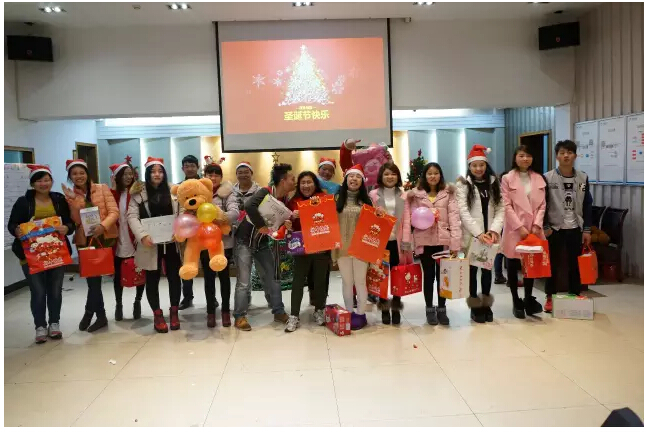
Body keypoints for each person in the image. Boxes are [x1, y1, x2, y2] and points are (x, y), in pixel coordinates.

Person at [8, 164, 75, 343]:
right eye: (39, 181)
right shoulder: (23, 202)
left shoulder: (59, 199)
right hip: (31, 256)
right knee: (38, 292)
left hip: (56, 254)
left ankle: (54, 324)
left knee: (55, 291)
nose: (43, 184)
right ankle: (40, 326)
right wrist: (17, 230)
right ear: (32, 183)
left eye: (46, 180)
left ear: (51, 181)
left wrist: (66, 228)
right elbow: (12, 224)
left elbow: (70, 223)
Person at [233, 163, 294, 331]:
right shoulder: (265, 192)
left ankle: (278, 311)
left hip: (262, 243)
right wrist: (261, 225)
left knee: (273, 277)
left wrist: (287, 225)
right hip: (244, 241)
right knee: (244, 281)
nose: (294, 182)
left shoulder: (285, 200)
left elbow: (277, 225)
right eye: (292, 179)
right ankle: (239, 316)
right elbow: (249, 206)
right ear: (283, 181)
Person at [63, 159, 119, 333]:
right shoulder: (70, 195)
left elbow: (114, 212)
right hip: (85, 240)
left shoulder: (102, 188)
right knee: (92, 281)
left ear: (87, 174)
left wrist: (103, 226)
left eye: (81, 172)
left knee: (95, 281)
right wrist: (74, 201)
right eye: (74, 174)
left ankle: (92, 314)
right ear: (70, 177)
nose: (78, 176)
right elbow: (76, 221)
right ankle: (98, 315)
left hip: (103, 237)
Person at [127, 157, 182, 333]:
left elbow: (182, 212)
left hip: (172, 242)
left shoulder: (174, 190)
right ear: (147, 174)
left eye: (160, 171)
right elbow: (132, 216)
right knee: (152, 278)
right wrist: (142, 236)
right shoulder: (138, 194)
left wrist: (180, 230)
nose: (157, 174)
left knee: (175, 277)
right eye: (153, 171)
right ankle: (157, 314)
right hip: (150, 243)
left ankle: (174, 312)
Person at [403, 162, 461, 325]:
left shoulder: (448, 194)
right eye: (429, 173)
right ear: (425, 176)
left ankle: (442, 309)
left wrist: (455, 244)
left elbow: (454, 218)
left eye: (436, 173)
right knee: (429, 276)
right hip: (425, 241)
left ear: (440, 175)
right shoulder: (416, 195)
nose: (433, 176)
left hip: (443, 241)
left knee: (444, 277)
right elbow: (412, 217)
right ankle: (429, 309)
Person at [456, 145, 504, 324]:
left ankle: (486, 305)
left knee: (487, 270)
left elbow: (501, 208)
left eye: (481, 165)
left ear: (486, 165)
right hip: (472, 236)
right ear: (469, 166)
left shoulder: (494, 182)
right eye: (474, 165)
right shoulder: (463, 184)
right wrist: (478, 233)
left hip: (490, 235)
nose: (478, 168)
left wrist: (494, 230)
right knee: (472, 271)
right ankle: (475, 307)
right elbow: (463, 212)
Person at [543, 140, 593, 313]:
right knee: (553, 264)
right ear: (557, 156)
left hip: (575, 227)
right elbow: (542, 204)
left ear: (575, 156)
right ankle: (550, 296)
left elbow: (587, 204)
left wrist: (587, 229)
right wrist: (545, 226)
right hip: (555, 228)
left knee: (575, 264)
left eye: (570, 152)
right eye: (562, 153)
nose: (566, 156)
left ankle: (574, 294)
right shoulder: (547, 177)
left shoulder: (583, 177)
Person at [501, 145, 548, 319]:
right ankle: (516, 301)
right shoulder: (507, 178)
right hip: (515, 229)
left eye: (528, 156)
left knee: (530, 264)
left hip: (533, 229)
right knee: (513, 265)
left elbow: (543, 205)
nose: (525, 159)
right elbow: (506, 205)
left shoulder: (538, 178)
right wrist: (519, 226)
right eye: (521, 155)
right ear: (515, 158)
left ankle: (528, 298)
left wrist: (537, 224)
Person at [284, 171, 328, 332]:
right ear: (299, 185)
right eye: (303, 183)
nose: (306, 185)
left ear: (315, 184)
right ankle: (294, 315)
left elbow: (330, 219)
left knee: (320, 281)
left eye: (309, 182)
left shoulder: (324, 199)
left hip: (321, 247)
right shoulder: (293, 202)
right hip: (301, 248)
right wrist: (290, 220)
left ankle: (319, 310)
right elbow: (287, 225)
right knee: (298, 281)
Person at [333, 164, 373, 330]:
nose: (354, 179)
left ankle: (361, 314)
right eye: (351, 176)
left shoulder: (367, 202)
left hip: (360, 249)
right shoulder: (336, 200)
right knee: (347, 282)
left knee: (360, 282)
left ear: (362, 181)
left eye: (358, 177)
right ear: (345, 179)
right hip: (342, 248)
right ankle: (349, 313)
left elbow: (372, 227)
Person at [202, 156, 240, 327]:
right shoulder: (199, 192)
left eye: (216, 175)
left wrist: (217, 218)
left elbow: (234, 213)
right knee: (208, 279)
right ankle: (210, 311)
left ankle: (225, 311)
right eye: (210, 174)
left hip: (223, 242)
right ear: (205, 176)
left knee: (224, 278)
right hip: (204, 242)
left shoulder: (227, 192)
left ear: (221, 177)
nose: (213, 178)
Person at [369, 162, 408, 325]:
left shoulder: (404, 195)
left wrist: (406, 240)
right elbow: (369, 218)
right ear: (381, 176)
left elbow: (407, 219)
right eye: (386, 174)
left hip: (398, 242)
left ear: (397, 176)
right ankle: (384, 309)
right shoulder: (373, 194)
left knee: (398, 276)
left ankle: (396, 308)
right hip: (381, 242)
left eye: (393, 174)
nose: (390, 177)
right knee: (381, 276)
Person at [109, 157, 145, 321]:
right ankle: (119, 304)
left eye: (130, 173)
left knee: (140, 270)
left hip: (135, 237)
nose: (128, 177)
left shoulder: (138, 192)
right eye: (124, 174)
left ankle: (137, 302)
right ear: (117, 177)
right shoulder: (113, 194)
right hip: (119, 238)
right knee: (118, 274)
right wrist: (113, 189)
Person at [232, 161, 260, 307]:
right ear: (236, 175)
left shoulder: (260, 191)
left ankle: (272, 301)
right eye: (240, 172)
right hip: (240, 237)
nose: (243, 175)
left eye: (246, 172)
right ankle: (245, 302)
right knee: (243, 273)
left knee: (265, 273)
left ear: (251, 173)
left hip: (259, 236)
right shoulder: (231, 192)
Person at [178, 154, 201, 310]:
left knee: (208, 266)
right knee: (187, 264)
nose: (190, 168)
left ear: (197, 167)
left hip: (204, 230)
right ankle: (187, 297)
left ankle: (211, 298)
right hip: (186, 231)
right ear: (182, 169)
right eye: (187, 166)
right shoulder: (179, 188)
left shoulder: (204, 184)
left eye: (192, 165)